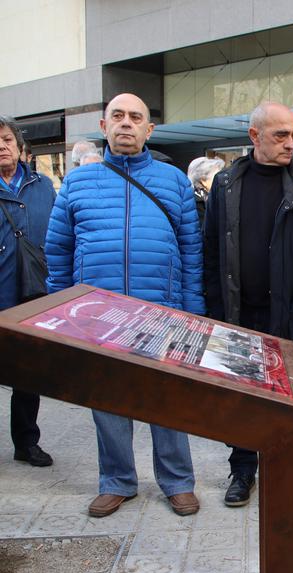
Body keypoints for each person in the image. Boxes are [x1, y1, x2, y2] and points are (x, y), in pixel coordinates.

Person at [46, 93, 204, 518]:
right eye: (118, 116)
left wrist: (193, 313)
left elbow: (192, 252)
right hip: (98, 315)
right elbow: (58, 251)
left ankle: (177, 481)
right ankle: (117, 481)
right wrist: (59, 315)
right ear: (103, 127)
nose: (126, 124)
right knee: (108, 400)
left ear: (149, 130)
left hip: (163, 311)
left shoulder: (173, 181)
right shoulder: (78, 182)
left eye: (136, 118)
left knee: (167, 399)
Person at [204, 101, 293, 508]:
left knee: (287, 398)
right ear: (254, 137)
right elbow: (211, 252)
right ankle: (242, 471)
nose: (291, 143)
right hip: (238, 313)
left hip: (287, 312)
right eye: (281, 135)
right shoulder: (226, 184)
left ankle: (283, 470)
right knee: (241, 398)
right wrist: (214, 313)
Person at [0, 116, 55, 468]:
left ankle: (26, 441)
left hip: (34, 293)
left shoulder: (42, 186)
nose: (1, 146)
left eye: (6, 139)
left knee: (28, 371)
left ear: (20, 147)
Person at [187, 156, 224, 227]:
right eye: (217, 177)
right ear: (203, 180)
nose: (221, 180)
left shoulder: (214, 197)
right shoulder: (194, 203)